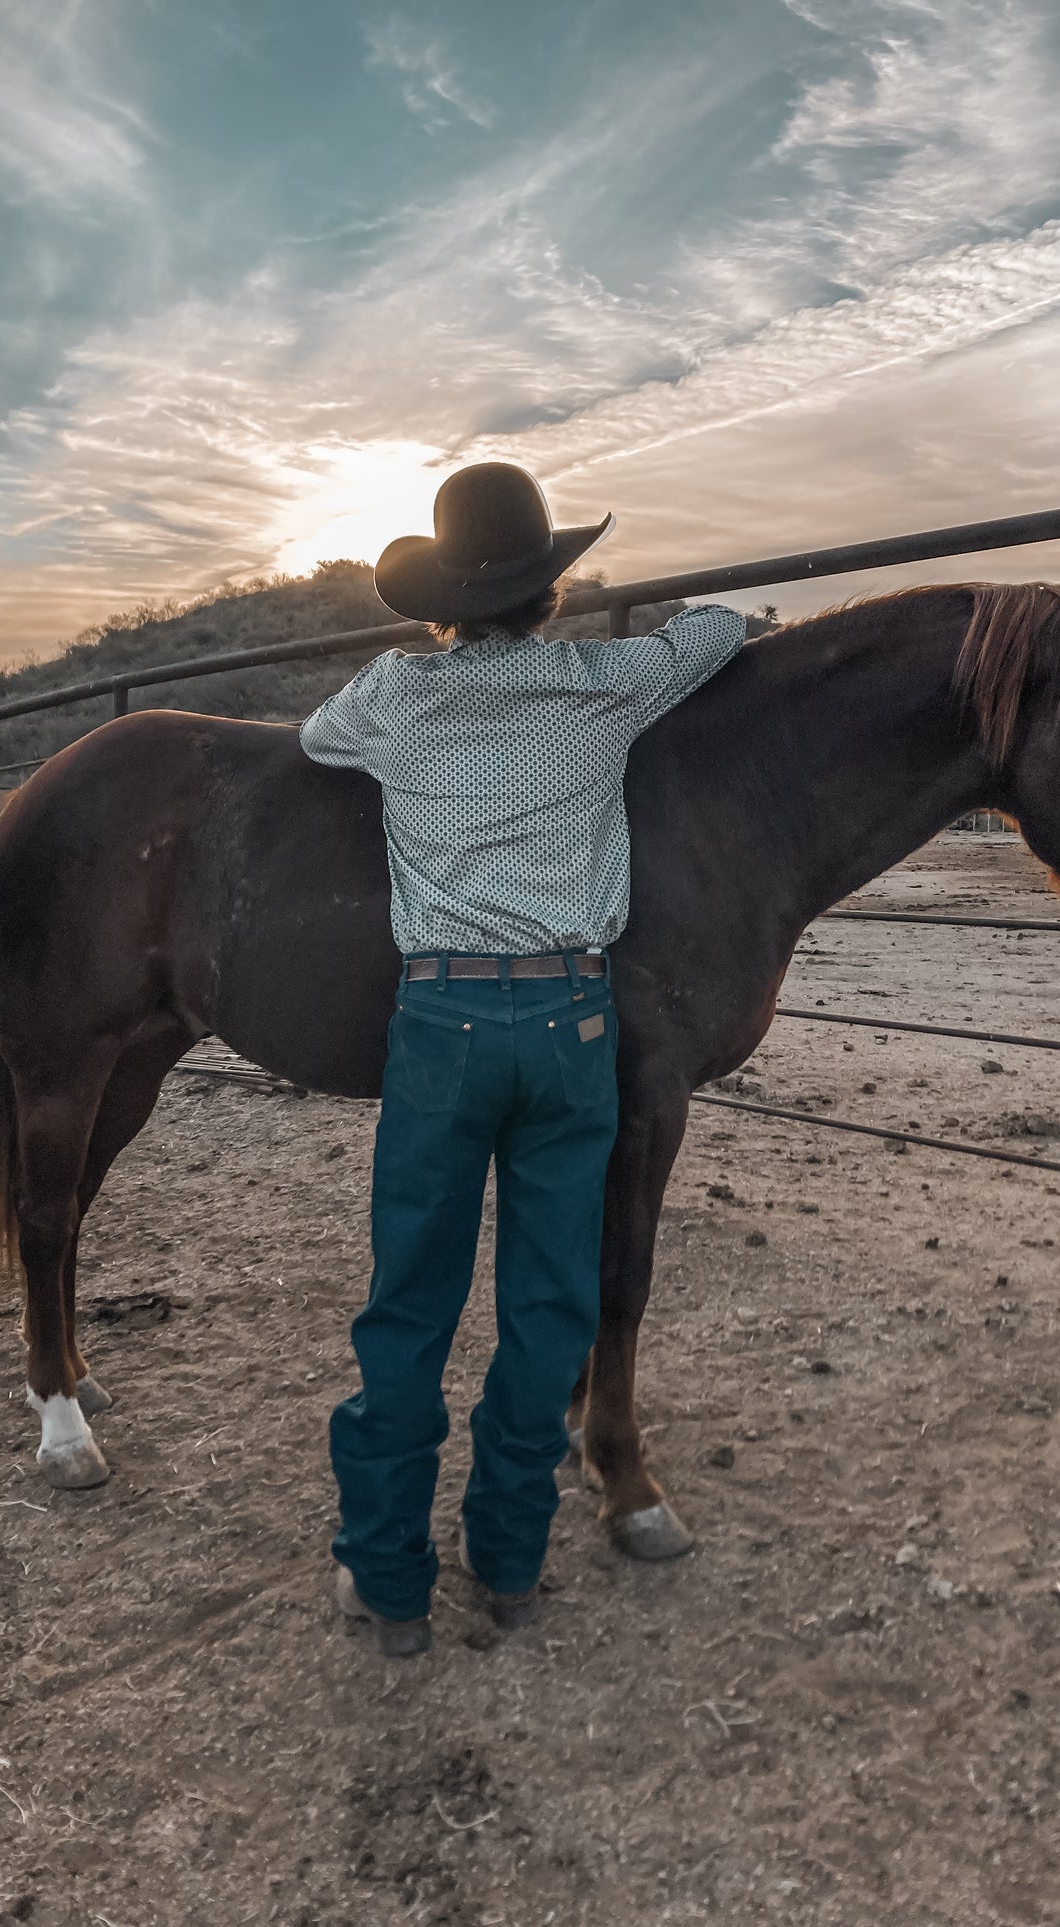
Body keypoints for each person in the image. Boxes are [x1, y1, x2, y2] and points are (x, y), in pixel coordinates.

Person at [300, 462, 745, 1656]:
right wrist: (657, 625)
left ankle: (387, 1584)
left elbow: (310, 735)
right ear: (549, 589)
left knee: (408, 1307)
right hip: (570, 1025)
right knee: (548, 1306)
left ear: (440, 597)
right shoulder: (605, 679)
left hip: (439, 1024)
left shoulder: (396, 691)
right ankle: (506, 1568)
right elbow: (717, 630)